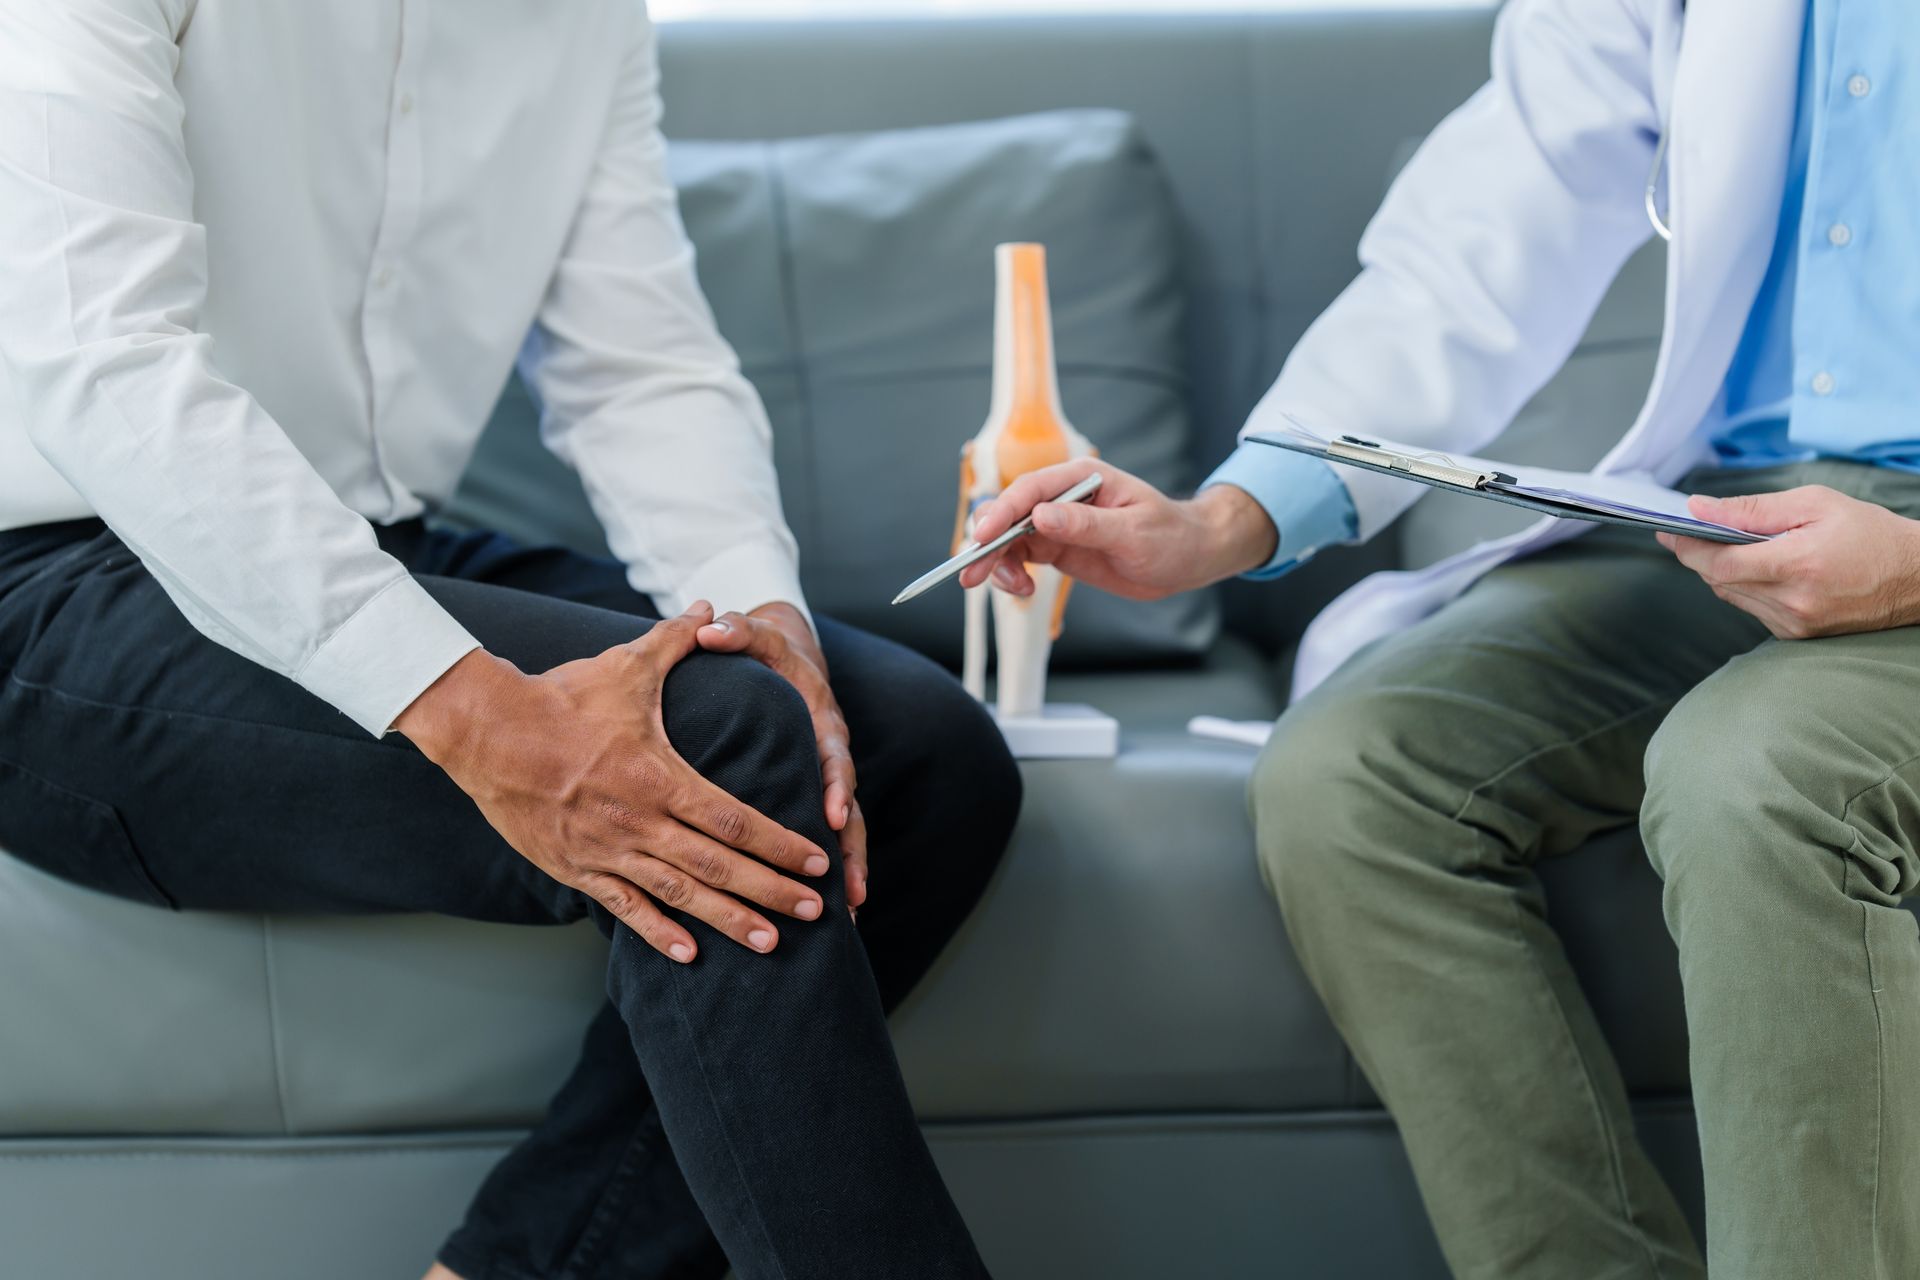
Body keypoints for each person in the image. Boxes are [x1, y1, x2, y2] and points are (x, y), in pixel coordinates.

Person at [0, 3, 1020, 1278]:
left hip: (372, 531)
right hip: (54, 586)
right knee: (726, 741)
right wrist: (478, 714)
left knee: (905, 747)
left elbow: (638, 362)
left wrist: (760, 616)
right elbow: (108, 362)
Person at [964, 0, 1920, 1276]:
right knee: (1348, 776)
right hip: (1747, 510)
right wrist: (1218, 524)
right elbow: (1480, 239)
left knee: (1757, 772)